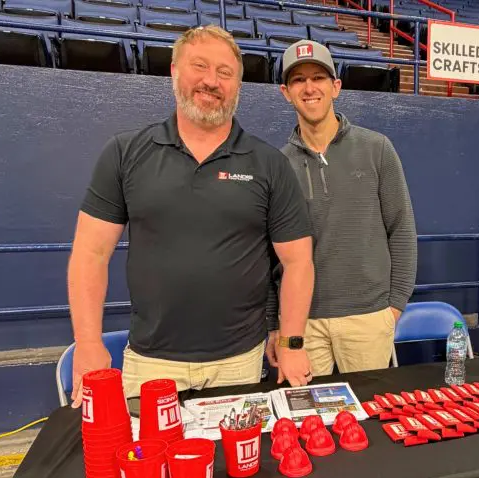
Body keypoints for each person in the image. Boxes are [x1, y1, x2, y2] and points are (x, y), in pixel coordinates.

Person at [66, 26, 315, 407]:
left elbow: (297, 261)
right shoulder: (125, 153)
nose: (211, 81)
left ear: (238, 86)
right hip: (151, 363)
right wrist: (87, 344)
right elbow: (90, 253)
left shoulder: (269, 164)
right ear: (174, 71)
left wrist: (292, 343)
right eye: (199, 66)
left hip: (239, 361)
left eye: (225, 72)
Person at [267, 40, 417, 377]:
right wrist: (274, 323)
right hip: (302, 323)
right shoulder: (277, 165)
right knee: (307, 409)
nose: (309, 88)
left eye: (318, 77)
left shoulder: (377, 148)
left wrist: (394, 306)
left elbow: (402, 229)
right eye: (298, 80)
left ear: (335, 86)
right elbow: (269, 253)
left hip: (368, 317)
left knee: (371, 409)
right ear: (285, 92)